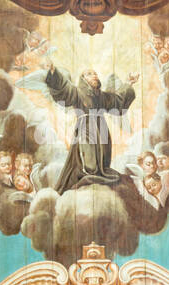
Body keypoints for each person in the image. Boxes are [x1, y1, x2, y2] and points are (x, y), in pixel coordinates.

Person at [45, 65, 137, 193]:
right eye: (89, 73)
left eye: (95, 73)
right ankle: (88, 173)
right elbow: (64, 90)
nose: (94, 75)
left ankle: (100, 173)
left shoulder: (101, 96)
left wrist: (129, 83)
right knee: (87, 156)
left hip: (102, 129)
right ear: (83, 79)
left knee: (103, 157)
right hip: (86, 127)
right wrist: (53, 73)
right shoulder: (77, 92)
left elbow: (117, 101)